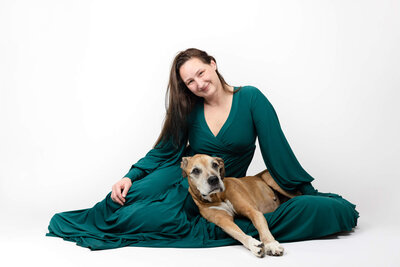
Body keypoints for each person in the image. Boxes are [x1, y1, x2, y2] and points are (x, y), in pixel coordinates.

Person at [47, 48, 359, 250]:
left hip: (218, 187)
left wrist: (306, 191)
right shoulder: (190, 109)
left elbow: (278, 152)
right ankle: (107, 215)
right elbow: (164, 149)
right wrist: (130, 176)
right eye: (189, 82)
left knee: (150, 217)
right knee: (124, 200)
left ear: (213, 64)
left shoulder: (250, 99)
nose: (198, 83)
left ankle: (237, 224)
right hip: (178, 175)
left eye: (200, 72)